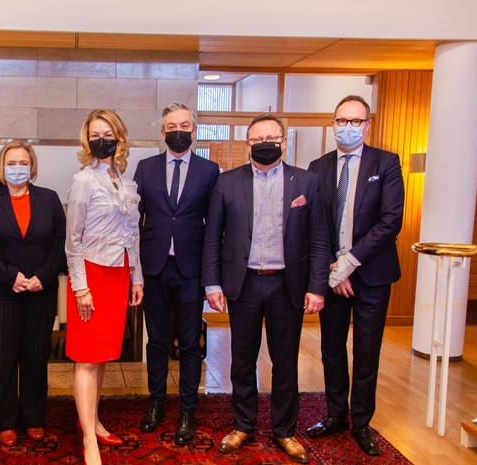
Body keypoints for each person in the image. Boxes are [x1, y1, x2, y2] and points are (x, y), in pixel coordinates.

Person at [202, 115, 330, 464]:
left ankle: (284, 430)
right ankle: (243, 425)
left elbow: (319, 239)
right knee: (242, 360)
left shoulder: (307, 182)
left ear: (284, 142)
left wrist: (317, 287)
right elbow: (212, 237)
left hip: (287, 284)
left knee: (285, 361)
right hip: (243, 284)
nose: (265, 144)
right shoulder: (227, 182)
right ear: (247, 144)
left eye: (272, 138)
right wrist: (212, 283)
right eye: (257, 139)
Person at [305, 95, 404, 456]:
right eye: (342, 120)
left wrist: (350, 262)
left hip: (372, 275)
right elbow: (316, 223)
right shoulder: (318, 167)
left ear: (367, 125)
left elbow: (390, 221)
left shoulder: (386, 163)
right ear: (332, 123)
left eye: (356, 121)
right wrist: (335, 266)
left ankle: (361, 422)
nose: (348, 127)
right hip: (332, 276)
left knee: (366, 351)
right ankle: (336, 415)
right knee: (331, 348)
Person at [0, 141, 66, 446]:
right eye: (11, 163)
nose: (17, 168)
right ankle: (4, 420)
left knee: (36, 357)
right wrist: (10, 276)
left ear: (32, 166)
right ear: (1, 166)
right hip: (0, 291)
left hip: (41, 291)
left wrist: (42, 278)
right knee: (2, 358)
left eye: (23, 162)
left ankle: (34, 417)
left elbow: (60, 245)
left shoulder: (49, 198)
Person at [133, 102, 219, 445]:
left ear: (194, 131)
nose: (178, 131)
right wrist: (135, 271)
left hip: (190, 270)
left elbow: (214, 227)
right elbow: (133, 220)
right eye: (172, 126)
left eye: (184, 125)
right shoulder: (146, 167)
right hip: (154, 267)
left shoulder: (209, 170)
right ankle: (156, 403)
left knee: (190, 343)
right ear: (163, 131)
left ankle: (187, 411)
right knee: (156, 340)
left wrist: (212, 277)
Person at [66, 109, 144, 465]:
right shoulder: (84, 180)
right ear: (88, 140)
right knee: (86, 357)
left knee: (102, 356)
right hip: (91, 275)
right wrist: (81, 288)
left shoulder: (123, 180)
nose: (102, 140)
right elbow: (72, 241)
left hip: (119, 273)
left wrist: (136, 277)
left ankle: (94, 421)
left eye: (107, 134)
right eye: (95, 135)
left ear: (119, 138)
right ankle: (88, 439)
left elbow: (132, 234)